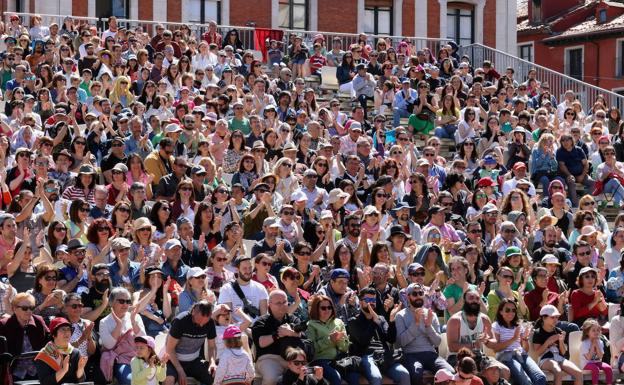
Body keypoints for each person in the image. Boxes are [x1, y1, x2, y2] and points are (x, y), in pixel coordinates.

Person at [346, 287, 410, 385]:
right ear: (361, 301)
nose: (371, 303)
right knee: (376, 377)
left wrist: (392, 320)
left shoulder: (381, 318)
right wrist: (374, 323)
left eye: (373, 300)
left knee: (404, 374)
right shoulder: (353, 321)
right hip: (365, 356)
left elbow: (391, 339)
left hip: (384, 356)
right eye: (367, 300)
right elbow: (363, 342)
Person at [395, 283, 455, 385]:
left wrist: (428, 326)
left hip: (430, 354)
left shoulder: (431, 314)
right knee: (416, 373)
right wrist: (416, 324)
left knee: (450, 372)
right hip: (410, 354)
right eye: (414, 294)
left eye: (420, 293)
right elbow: (401, 343)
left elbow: (437, 342)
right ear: (408, 297)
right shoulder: (400, 315)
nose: (418, 296)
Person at [252, 290, 306, 385]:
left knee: (307, 375)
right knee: (272, 378)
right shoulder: (261, 321)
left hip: (293, 359)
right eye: (278, 303)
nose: (282, 305)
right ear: (270, 305)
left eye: (284, 302)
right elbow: (261, 343)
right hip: (269, 358)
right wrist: (278, 334)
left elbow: (304, 336)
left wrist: (290, 333)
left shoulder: (293, 319)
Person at [490, 298, 546, 385]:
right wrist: (514, 338)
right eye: (507, 310)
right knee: (526, 382)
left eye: (513, 310)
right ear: (501, 312)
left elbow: (525, 349)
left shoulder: (518, 326)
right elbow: (496, 349)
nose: (511, 313)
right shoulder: (496, 326)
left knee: (540, 378)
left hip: (521, 354)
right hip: (506, 356)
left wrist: (525, 339)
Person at [99, 287, 146, 385]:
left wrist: (133, 321)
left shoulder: (135, 316)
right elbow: (109, 346)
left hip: (140, 357)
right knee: (130, 381)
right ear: (111, 303)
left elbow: (144, 341)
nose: (125, 304)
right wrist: (119, 325)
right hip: (121, 360)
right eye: (121, 301)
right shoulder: (104, 322)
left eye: (128, 301)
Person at [164, 300, 217, 385]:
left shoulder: (210, 323)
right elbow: (169, 349)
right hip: (173, 361)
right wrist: (180, 371)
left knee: (214, 375)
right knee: (169, 380)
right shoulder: (180, 321)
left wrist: (212, 362)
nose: (201, 325)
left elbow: (211, 346)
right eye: (199, 321)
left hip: (194, 361)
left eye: (205, 322)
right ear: (193, 312)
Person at [531, 305, 583, 385]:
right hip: (545, 359)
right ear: (544, 318)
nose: (555, 320)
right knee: (558, 371)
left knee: (578, 373)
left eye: (556, 317)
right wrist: (548, 342)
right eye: (552, 317)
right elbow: (537, 353)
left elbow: (563, 352)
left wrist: (561, 341)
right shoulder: (538, 332)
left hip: (559, 358)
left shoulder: (558, 330)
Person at [306, 294, 349, 385]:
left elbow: (345, 348)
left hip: (339, 359)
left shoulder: (339, 322)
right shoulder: (311, 324)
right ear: (316, 309)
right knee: (335, 376)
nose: (327, 310)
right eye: (323, 308)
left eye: (329, 307)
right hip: (320, 360)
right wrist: (329, 340)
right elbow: (312, 349)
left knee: (354, 377)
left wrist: (339, 340)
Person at [34, 317, 88, 385]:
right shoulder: (44, 355)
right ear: (53, 334)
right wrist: (63, 370)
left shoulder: (75, 352)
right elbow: (45, 382)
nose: (67, 332)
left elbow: (81, 381)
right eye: (63, 329)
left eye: (68, 329)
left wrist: (80, 369)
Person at [580, 318, 613, 385]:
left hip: (597, 362)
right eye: (593, 330)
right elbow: (588, 358)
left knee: (608, 368)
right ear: (587, 332)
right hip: (586, 364)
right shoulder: (584, 343)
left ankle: (609, 383)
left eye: (598, 330)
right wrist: (593, 345)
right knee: (595, 369)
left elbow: (600, 356)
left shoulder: (600, 342)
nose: (596, 332)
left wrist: (596, 345)